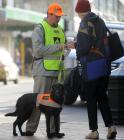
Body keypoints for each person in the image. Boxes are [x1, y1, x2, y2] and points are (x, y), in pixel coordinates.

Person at [25, 3, 73, 137]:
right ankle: (30, 128)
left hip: (57, 72)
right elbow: (38, 50)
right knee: (39, 101)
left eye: (60, 17)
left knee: (54, 103)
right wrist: (60, 47)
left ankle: (52, 131)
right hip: (42, 71)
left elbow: (65, 50)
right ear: (49, 14)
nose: (58, 19)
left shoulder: (61, 29)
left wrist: (67, 48)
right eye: (56, 16)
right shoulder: (39, 29)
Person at [74, 0, 117, 139]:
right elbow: (97, 41)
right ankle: (111, 126)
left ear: (79, 11)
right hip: (104, 64)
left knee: (91, 99)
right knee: (103, 97)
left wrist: (77, 50)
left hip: (92, 66)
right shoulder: (100, 21)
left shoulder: (85, 23)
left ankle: (94, 131)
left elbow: (85, 47)